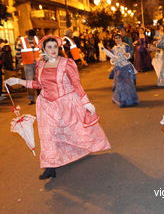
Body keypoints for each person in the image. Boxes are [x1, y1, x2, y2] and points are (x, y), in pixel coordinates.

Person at [6, 35, 111, 180]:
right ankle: (50, 166)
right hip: (46, 105)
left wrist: (86, 102)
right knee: (48, 135)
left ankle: (77, 151)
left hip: (66, 103)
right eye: (49, 47)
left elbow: (76, 84)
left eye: (55, 47)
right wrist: (19, 81)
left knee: (75, 131)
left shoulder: (67, 63)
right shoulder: (40, 64)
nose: (53, 50)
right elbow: (38, 85)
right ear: (44, 49)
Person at [110, 33, 138, 107]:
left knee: (128, 84)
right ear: (114, 40)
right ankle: (122, 100)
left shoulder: (126, 46)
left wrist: (127, 55)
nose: (117, 40)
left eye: (119, 38)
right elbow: (111, 59)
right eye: (116, 38)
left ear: (121, 39)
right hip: (118, 68)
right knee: (119, 84)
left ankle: (129, 99)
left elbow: (131, 54)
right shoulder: (113, 49)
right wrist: (113, 60)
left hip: (126, 67)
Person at [15, 29, 40, 105]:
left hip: (36, 63)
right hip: (28, 63)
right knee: (30, 82)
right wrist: (21, 61)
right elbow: (18, 52)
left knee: (38, 81)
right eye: (31, 36)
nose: (32, 38)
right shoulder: (22, 41)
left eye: (33, 36)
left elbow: (41, 50)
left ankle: (39, 97)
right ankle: (32, 99)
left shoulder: (36, 40)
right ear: (28, 35)